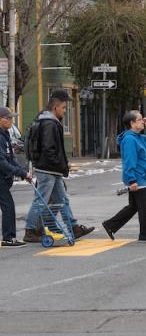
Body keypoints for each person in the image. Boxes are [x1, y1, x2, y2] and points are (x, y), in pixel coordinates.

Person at [24, 89, 94, 243]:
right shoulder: (49, 123)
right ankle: (30, 231)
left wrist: (61, 165)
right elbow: (49, 150)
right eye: (63, 108)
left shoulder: (45, 120)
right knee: (41, 201)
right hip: (47, 170)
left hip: (51, 170)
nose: (65, 111)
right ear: (55, 107)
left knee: (62, 200)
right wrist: (61, 165)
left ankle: (73, 228)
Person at [102, 110, 146, 242]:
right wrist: (132, 180)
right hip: (137, 178)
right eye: (140, 119)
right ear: (132, 123)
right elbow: (129, 161)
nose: (143, 121)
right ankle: (145, 235)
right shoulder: (129, 139)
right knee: (144, 207)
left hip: (140, 177)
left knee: (134, 207)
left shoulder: (137, 137)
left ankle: (110, 225)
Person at [0, 107, 33, 247]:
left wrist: (23, 172)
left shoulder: (5, 135)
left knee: (7, 206)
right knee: (8, 207)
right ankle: (9, 238)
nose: (11, 121)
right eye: (9, 118)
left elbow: (11, 159)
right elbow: (2, 162)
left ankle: (9, 237)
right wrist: (21, 173)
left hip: (4, 178)